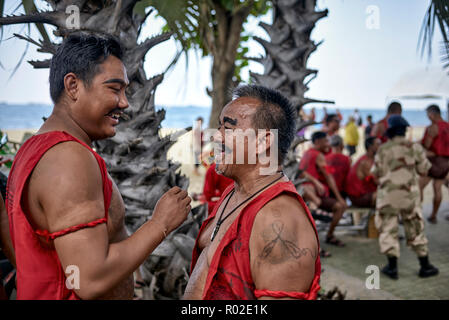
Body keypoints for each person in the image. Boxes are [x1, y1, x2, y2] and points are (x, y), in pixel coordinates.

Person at [5, 33, 191, 300]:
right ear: (73, 86)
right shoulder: (68, 158)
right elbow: (89, 278)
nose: (125, 103)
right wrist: (160, 224)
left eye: (125, 90)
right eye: (114, 89)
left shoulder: (35, 149)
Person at [183, 84, 320, 300]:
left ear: (263, 142)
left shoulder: (279, 220)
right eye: (219, 127)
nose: (216, 137)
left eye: (228, 129)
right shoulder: (234, 193)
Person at [372, 115, 438, 279]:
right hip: (409, 195)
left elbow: (375, 174)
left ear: (390, 131)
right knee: (415, 227)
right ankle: (425, 266)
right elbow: (424, 170)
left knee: (388, 229)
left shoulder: (383, 149)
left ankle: (392, 268)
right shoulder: (414, 147)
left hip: (388, 196)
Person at [299, 131, 347, 247]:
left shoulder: (307, 153)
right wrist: (339, 198)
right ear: (317, 142)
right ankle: (328, 236)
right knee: (340, 207)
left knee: (315, 207)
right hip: (313, 192)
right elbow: (329, 177)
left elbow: (302, 172)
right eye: (325, 141)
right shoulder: (318, 155)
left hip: (306, 192)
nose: (328, 144)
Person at [419, 105, 449, 223]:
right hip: (446, 162)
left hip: (435, 161)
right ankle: (433, 215)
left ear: (432, 114)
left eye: (427, 114)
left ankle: (416, 214)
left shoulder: (432, 127)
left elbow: (426, 145)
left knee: (419, 186)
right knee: (437, 188)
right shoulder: (447, 126)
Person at [345, 137, 380, 208]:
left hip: (362, 195)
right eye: (378, 144)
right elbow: (377, 181)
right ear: (370, 147)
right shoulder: (366, 162)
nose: (380, 147)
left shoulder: (369, 159)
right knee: (388, 194)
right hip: (359, 198)